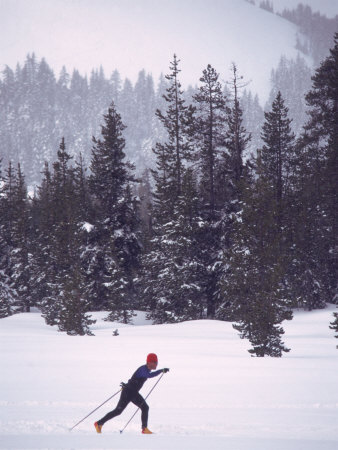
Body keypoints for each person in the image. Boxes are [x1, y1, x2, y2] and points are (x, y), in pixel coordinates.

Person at [94, 353, 169, 434]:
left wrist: (161, 371)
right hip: (128, 392)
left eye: (156, 362)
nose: (156, 364)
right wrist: (161, 371)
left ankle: (144, 429)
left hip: (133, 393)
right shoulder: (143, 369)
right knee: (118, 411)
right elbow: (149, 375)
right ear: (149, 362)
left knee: (144, 407)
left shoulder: (146, 369)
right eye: (154, 362)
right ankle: (99, 423)